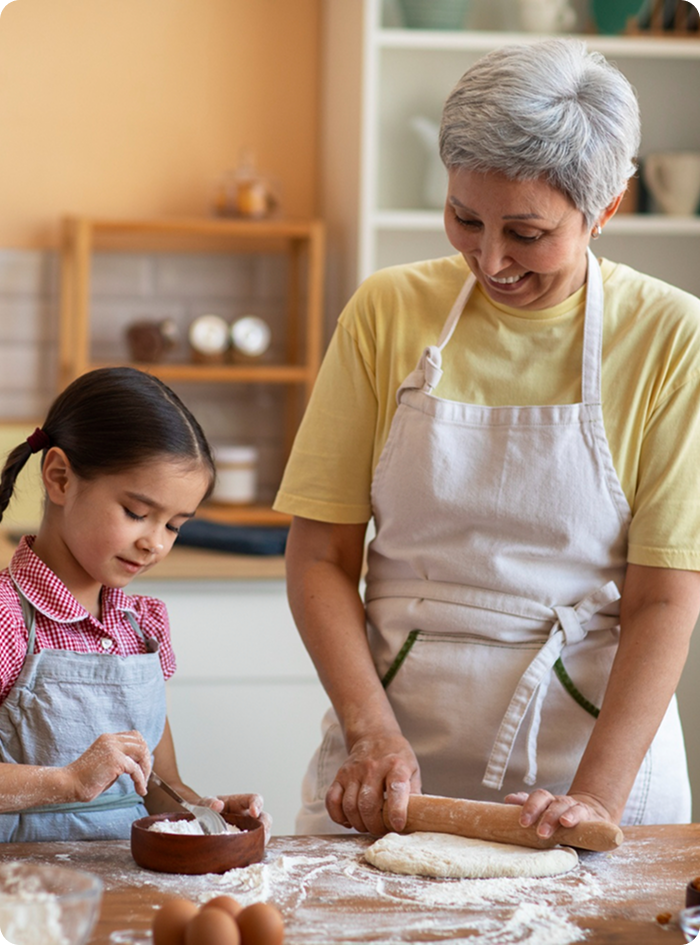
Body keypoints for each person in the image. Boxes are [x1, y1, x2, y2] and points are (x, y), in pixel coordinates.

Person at [274, 38, 700, 840]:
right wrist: (371, 733)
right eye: (465, 218)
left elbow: (665, 596)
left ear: (604, 210)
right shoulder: (385, 310)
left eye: (528, 233)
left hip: (590, 758)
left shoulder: (672, 337)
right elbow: (321, 555)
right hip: (386, 770)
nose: (491, 259)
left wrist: (598, 798)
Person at [0, 366, 269, 842]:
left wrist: (205, 812)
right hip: (24, 896)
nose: (155, 544)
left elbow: (155, 789)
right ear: (60, 477)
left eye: (174, 526)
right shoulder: (8, 618)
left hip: (124, 891)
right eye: (137, 513)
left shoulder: (143, 627)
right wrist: (67, 781)